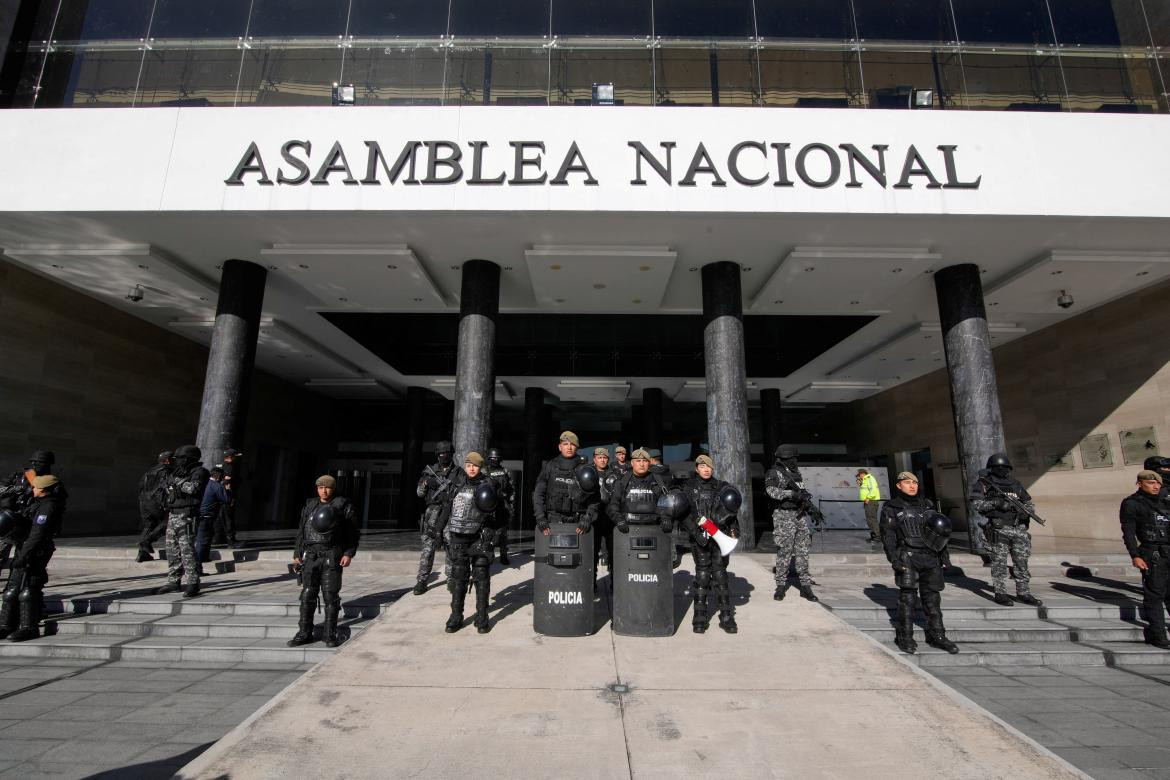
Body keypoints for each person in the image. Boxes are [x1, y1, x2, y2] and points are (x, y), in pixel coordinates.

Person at [880, 472, 958, 655]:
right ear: (899, 485)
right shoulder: (891, 507)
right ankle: (905, 636)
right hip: (908, 555)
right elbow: (888, 536)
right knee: (907, 599)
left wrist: (944, 556)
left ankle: (937, 636)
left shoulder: (928, 505)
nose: (912, 486)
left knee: (933, 599)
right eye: (907, 483)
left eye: (914, 482)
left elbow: (940, 532)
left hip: (931, 557)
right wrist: (893, 559)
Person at [289, 475, 360, 647]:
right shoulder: (310, 504)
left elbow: (353, 531)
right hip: (311, 554)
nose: (323, 490)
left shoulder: (342, 505)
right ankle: (304, 632)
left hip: (332, 554)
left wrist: (349, 553)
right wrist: (297, 552)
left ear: (333, 488)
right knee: (307, 594)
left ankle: (330, 634)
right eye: (320, 487)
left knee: (330, 596)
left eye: (327, 487)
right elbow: (302, 529)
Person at [437, 453, 498, 634]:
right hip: (458, 538)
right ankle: (456, 616)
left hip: (479, 538)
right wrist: (439, 530)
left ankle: (482, 617)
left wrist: (491, 533)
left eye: (475, 465)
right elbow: (446, 508)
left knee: (481, 578)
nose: (471, 468)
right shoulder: (456, 484)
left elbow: (501, 513)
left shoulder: (488, 486)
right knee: (459, 578)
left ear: (480, 467)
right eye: (469, 464)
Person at [0, 474, 66, 642]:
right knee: (11, 589)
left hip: (36, 551)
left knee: (29, 590)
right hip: (24, 548)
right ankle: (6, 625)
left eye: (36, 488)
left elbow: (37, 535)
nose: (33, 489)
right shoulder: (36, 503)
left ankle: (29, 627)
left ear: (44, 490)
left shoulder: (48, 507)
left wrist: (24, 556)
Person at [971, 453, 1041, 607]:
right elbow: (977, 506)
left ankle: (1023, 592)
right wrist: (996, 503)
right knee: (999, 564)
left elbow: (1029, 503)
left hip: (1018, 529)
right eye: (998, 467)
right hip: (998, 529)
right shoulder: (984, 484)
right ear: (991, 468)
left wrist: (1024, 511)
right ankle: (1000, 593)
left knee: (1021, 563)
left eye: (1004, 467)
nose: (1001, 470)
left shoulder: (1015, 484)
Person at [680, 455, 739, 634]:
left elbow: (731, 513)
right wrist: (696, 534)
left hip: (719, 538)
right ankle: (699, 617)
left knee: (721, 576)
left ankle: (726, 617)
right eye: (702, 466)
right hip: (700, 539)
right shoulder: (689, 488)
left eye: (709, 467)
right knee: (703, 576)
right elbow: (684, 514)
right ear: (697, 468)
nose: (706, 469)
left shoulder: (722, 487)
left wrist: (734, 532)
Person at [1120, 470, 1170, 649]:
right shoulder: (1132, 503)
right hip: (1152, 553)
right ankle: (1158, 634)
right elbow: (1129, 532)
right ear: (1139, 484)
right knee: (1155, 595)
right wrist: (1135, 555)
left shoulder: (1166, 501)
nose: (1156, 487)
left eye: (1158, 484)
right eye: (1151, 483)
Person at [765, 444, 819, 602]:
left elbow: (802, 493)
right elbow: (771, 491)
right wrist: (790, 494)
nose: (794, 461)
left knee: (803, 551)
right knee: (784, 551)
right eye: (792, 458)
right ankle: (781, 586)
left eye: (795, 458)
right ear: (784, 458)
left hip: (799, 515)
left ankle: (805, 586)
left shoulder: (796, 473)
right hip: (783, 516)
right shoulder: (774, 472)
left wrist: (811, 507)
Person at [156, 444, 209, 598]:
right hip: (173, 514)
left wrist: (177, 483)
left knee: (187, 550)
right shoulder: (178, 472)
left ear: (188, 458)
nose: (177, 461)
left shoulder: (199, 472)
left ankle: (193, 582)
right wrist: (169, 485)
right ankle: (174, 581)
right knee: (172, 549)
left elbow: (193, 489)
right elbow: (168, 487)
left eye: (180, 458)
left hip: (187, 515)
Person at [532, 431, 598, 538]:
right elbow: (538, 494)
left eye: (572, 444)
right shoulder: (550, 467)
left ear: (577, 447)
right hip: (553, 521)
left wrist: (587, 518)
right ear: (559, 447)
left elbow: (595, 498)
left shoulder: (586, 469)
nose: (569, 447)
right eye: (565, 444)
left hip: (579, 523)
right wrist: (540, 517)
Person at [413, 440, 457, 595]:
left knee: (451, 546)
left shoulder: (457, 472)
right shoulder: (429, 471)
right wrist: (425, 484)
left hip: (450, 512)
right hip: (432, 513)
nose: (444, 455)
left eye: (446, 453)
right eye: (441, 453)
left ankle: (451, 578)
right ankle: (422, 580)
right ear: (437, 455)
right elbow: (419, 494)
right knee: (428, 547)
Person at [136, 451, 172, 562]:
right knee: (167, 522)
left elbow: (140, 486)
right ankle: (147, 541)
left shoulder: (149, 471)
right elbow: (167, 487)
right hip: (156, 502)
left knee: (148, 525)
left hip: (144, 501)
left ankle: (142, 554)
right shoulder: (166, 471)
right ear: (167, 460)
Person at [195, 468, 229, 576]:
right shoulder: (216, 486)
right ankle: (197, 568)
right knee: (202, 541)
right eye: (222, 477)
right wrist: (227, 490)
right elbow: (226, 500)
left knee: (205, 539)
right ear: (218, 477)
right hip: (206, 516)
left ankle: (203, 559)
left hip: (199, 515)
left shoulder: (204, 484)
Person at [484, 447, 515, 566]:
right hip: (490, 506)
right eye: (493, 458)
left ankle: (503, 555)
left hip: (503, 505)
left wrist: (511, 504)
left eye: (497, 458)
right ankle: (488, 554)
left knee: (503, 533)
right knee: (488, 532)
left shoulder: (505, 471)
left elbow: (511, 488)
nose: (495, 460)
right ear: (489, 459)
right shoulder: (485, 471)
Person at [592, 447, 616, 572]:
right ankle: (592, 584)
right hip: (592, 519)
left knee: (613, 553)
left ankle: (613, 583)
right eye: (599, 458)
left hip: (609, 518)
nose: (602, 460)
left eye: (605, 458)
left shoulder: (614, 475)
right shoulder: (588, 472)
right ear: (594, 459)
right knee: (591, 553)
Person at [214, 448, 242, 547]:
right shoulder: (230, 466)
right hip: (226, 495)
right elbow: (227, 482)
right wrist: (229, 496)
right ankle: (231, 540)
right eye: (234, 456)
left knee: (219, 517)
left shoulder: (220, 465)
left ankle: (217, 538)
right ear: (231, 457)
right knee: (228, 517)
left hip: (218, 495)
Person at [857, 468, 882, 543]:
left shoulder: (870, 478)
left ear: (862, 473)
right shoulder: (865, 480)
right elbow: (865, 490)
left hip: (871, 501)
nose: (858, 476)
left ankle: (878, 537)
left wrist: (868, 497)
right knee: (869, 519)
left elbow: (873, 489)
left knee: (872, 519)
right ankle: (874, 536)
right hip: (868, 501)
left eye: (859, 475)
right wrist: (860, 484)